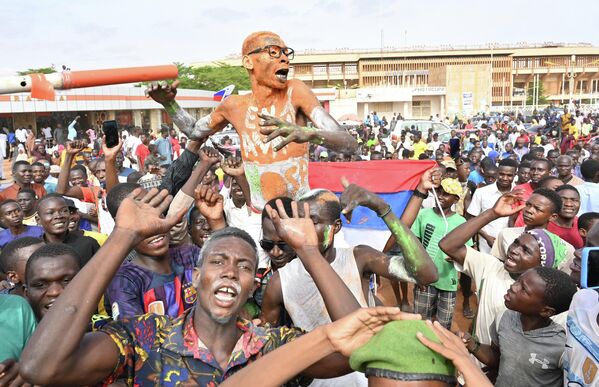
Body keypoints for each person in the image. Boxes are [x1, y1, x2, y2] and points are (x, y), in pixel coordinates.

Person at [20, 188, 368, 386]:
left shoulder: (272, 346)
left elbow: (358, 347)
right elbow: (41, 367)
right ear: (196, 277)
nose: (231, 270)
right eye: (218, 262)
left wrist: (309, 251)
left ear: (250, 289)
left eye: (245, 266)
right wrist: (122, 237)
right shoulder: (143, 338)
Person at [147, 31, 358, 211]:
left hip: (299, 216)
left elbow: (348, 143)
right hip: (258, 218)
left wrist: (309, 133)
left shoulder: (295, 91)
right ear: (248, 61)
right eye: (274, 52)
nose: (284, 59)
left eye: (286, 53)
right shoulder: (234, 105)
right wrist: (170, 104)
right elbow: (194, 131)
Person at [439, 192, 568, 347]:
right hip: (476, 360)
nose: (513, 250)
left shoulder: (546, 300)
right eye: (515, 243)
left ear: (542, 264)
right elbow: (448, 245)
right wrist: (492, 213)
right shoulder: (492, 267)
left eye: (526, 251)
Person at [103, 183, 207, 320]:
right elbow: (137, 333)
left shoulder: (190, 255)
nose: (152, 227)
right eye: (139, 219)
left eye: (155, 211)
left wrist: (217, 223)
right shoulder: (124, 281)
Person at [465, 267, 577, 387]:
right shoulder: (504, 316)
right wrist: (472, 344)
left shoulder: (562, 346)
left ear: (546, 311)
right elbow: (498, 356)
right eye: (518, 280)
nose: (513, 287)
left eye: (523, 289)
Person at [406, 177, 470, 329]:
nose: (440, 196)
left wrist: (455, 257)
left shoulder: (460, 222)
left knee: (443, 323)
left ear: (455, 199)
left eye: (446, 194)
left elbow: (466, 252)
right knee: (421, 320)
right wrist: (417, 271)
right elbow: (415, 244)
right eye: (439, 192)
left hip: (448, 280)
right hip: (425, 279)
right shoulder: (423, 215)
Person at [467, 158, 517, 253]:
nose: (505, 178)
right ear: (497, 173)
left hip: (511, 247)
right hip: (485, 247)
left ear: (515, 175)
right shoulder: (481, 192)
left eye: (509, 175)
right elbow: (471, 219)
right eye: (502, 174)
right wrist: (486, 237)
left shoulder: (519, 194)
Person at [37, 194, 100, 267]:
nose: (58, 216)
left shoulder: (88, 244)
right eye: (50, 213)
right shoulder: (34, 248)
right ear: (38, 219)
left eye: (64, 211)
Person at [23, 243, 81, 321]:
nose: (54, 292)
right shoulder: (15, 331)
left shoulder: (100, 329)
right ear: (26, 293)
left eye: (66, 281)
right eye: (40, 285)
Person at [512, 158, 552, 227]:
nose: (535, 173)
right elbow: (512, 217)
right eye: (532, 169)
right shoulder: (519, 189)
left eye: (540, 170)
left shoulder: (552, 192)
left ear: (549, 173)